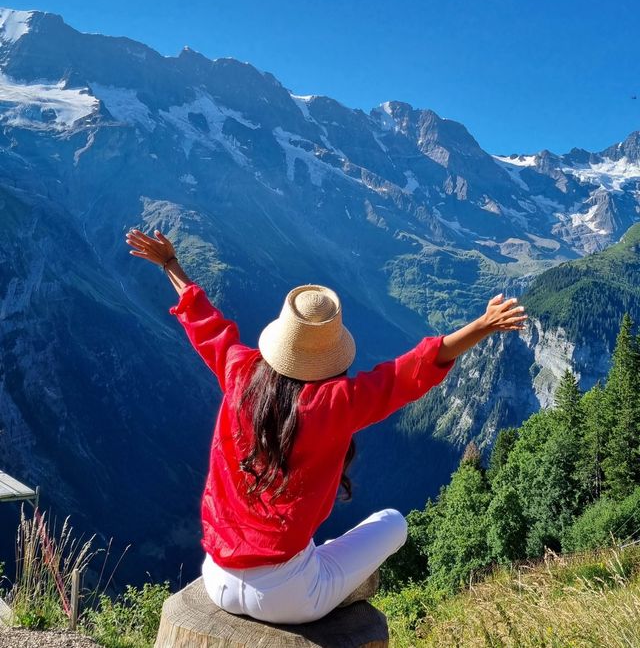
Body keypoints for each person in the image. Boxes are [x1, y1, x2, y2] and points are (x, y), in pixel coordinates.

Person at [125, 227, 528, 624]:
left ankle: (319, 565)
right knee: (392, 523)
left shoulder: (239, 373)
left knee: (318, 551)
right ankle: (328, 574)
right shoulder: (337, 403)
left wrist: (170, 264)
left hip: (217, 578)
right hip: (290, 597)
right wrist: (484, 324)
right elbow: (411, 371)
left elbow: (206, 323)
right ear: (331, 352)